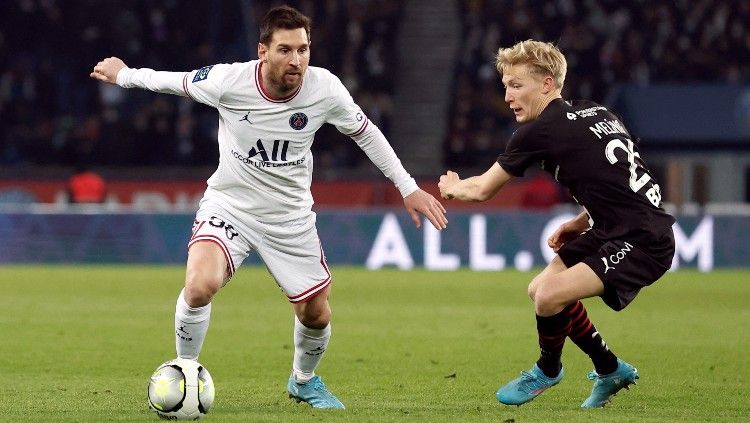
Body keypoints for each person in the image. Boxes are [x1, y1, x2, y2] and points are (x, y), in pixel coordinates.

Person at [91, 5, 447, 410]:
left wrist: (407, 187)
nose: (296, 60)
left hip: (289, 216)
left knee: (316, 313)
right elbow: (174, 82)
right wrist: (124, 75)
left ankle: (303, 380)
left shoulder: (324, 88)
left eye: (303, 49)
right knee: (199, 285)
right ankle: (184, 371)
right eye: (285, 50)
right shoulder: (229, 81)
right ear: (263, 51)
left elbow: (366, 134)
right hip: (231, 205)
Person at [438, 40, 675, 408]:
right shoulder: (599, 112)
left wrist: (452, 187)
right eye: (505, 86)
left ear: (547, 84)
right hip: (617, 226)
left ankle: (547, 370)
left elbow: (483, 189)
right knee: (540, 290)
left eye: (516, 85)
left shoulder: (540, 131)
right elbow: (621, 182)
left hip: (643, 240)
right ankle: (610, 367)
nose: (508, 96)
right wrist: (581, 222)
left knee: (550, 297)